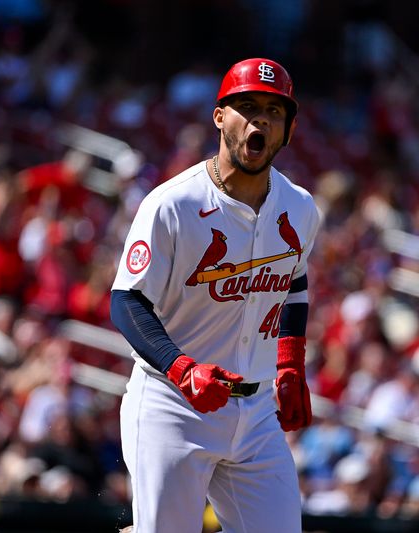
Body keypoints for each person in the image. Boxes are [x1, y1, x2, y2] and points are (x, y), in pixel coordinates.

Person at [110, 58, 321, 533]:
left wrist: (289, 364)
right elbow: (126, 301)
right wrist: (182, 368)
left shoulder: (300, 207)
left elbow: (294, 282)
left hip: (256, 412)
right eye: (247, 106)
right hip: (172, 405)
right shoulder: (172, 204)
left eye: (273, 110)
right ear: (220, 116)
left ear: (288, 128)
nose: (260, 119)